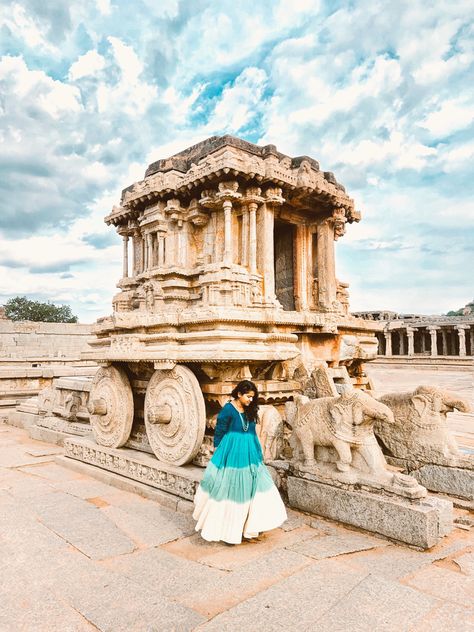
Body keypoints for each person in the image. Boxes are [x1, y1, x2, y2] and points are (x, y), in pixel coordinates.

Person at [193, 380, 287, 544]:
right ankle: (230, 531)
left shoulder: (251, 409)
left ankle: (250, 528)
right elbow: (220, 430)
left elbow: (251, 431)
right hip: (232, 451)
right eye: (248, 396)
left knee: (256, 485)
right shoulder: (228, 409)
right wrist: (218, 451)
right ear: (238, 394)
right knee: (233, 488)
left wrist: (258, 452)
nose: (251, 400)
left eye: (252, 397)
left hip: (249, 450)